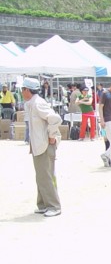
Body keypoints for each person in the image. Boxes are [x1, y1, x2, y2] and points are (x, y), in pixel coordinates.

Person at [21, 77, 62, 217]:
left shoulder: (38, 103)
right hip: (39, 145)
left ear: (27, 90)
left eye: (22, 89)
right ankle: (43, 204)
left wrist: (52, 135)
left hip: (45, 145)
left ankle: (54, 206)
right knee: (41, 176)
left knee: (46, 176)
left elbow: (55, 119)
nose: (21, 92)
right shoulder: (32, 103)